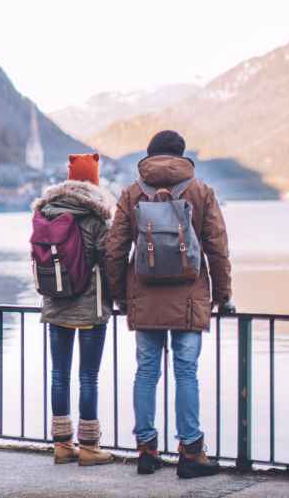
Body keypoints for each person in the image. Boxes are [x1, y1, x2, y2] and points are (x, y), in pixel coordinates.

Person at [104, 130, 233, 479]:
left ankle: (146, 450)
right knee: (186, 372)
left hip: (144, 298)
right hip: (189, 298)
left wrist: (118, 295)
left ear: (149, 156)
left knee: (146, 371)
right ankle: (191, 452)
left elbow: (115, 250)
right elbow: (217, 247)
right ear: (181, 155)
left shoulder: (132, 193)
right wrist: (223, 295)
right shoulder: (201, 191)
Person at [32, 153, 115, 466]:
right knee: (88, 377)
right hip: (91, 307)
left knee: (59, 375)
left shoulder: (45, 212)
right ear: (94, 180)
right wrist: (116, 297)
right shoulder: (95, 218)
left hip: (55, 304)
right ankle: (91, 447)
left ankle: (62, 445)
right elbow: (109, 262)